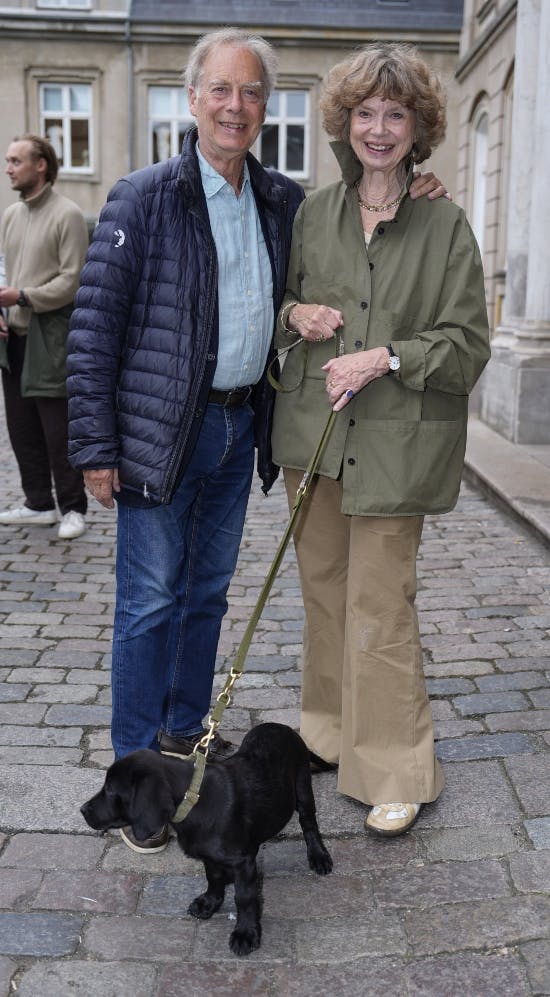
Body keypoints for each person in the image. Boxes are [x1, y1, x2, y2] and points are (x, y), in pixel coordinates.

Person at [66, 28, 448, 853]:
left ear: (266, 108)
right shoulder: (142, 196)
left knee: (206, 593)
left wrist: (416, 186)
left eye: (251, 93)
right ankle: (136, 775)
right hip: (161, 432)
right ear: (192, 98)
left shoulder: (282, 201)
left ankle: (183, 731)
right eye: (221, 89)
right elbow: (93, 328)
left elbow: (332, 245)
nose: (235, 106)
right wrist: (94, 446)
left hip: (241, 427)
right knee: (149, 600)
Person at [271, 43, 491, 838]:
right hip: (315, 442)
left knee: (381, 606)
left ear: (418, 127)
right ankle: (329, 732)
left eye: (396, 114)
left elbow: (467, 346)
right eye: (365, 112)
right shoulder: (314, 214)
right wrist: (298, 315)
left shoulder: (446, 224)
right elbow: (280, 306)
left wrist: (387, 356)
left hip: (397, 451)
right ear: (345, 120)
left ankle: (396, 767)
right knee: (324, 595)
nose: (379, 128)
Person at [0, 134, 89, 540]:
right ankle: (38, 503)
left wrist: (22, 297)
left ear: (41, 165)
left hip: (50, 337)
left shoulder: (67, 214)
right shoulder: (10, 215)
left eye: (16, 161)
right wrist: (3, 310)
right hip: (13, 338)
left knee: (58, 431)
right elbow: (4, 269)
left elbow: (72, 280)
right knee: (21, 428)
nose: (8, 169)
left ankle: (73, 508)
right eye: (8, 161)